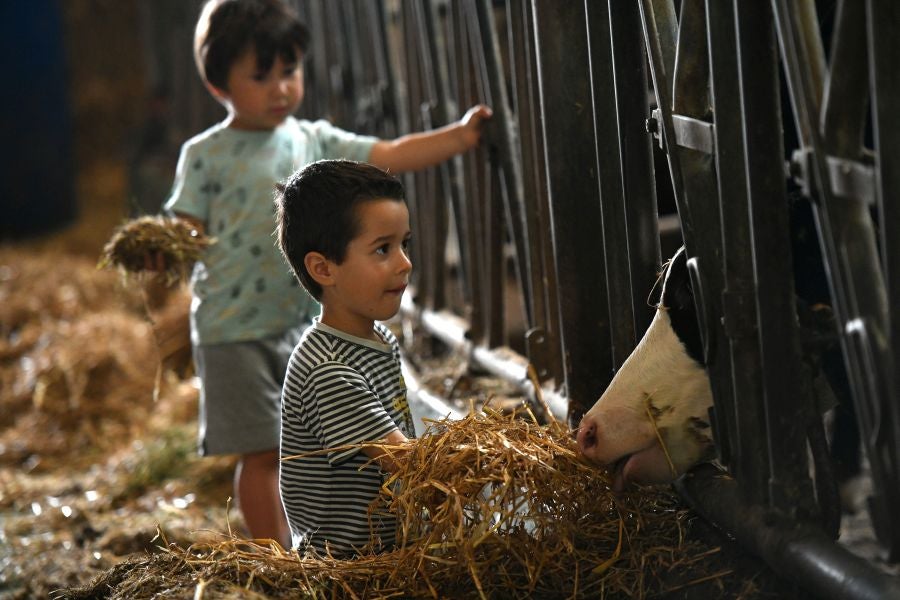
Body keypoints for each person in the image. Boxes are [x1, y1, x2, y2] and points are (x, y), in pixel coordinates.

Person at [160, 0, 491, 548]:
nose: (280, 88)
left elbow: (387, 154)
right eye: (260, 76)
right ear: (220, 85)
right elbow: (183, 232)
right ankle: (279, 557)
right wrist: (163, 255)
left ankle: (309, 541)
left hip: (300, 319)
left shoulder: (311, 141)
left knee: (301, 440)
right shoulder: (205, 155)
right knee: (262, 451)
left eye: (289, 71)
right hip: (230, 329)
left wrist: (456, 138)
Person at [274, 159, 414, 556]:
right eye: (383, 249)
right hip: (348, 571)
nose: (405, 262)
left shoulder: (378, 338)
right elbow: (408, 463)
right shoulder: (329, 370)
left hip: (391, 554)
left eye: (406, 243)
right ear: (323, 268)